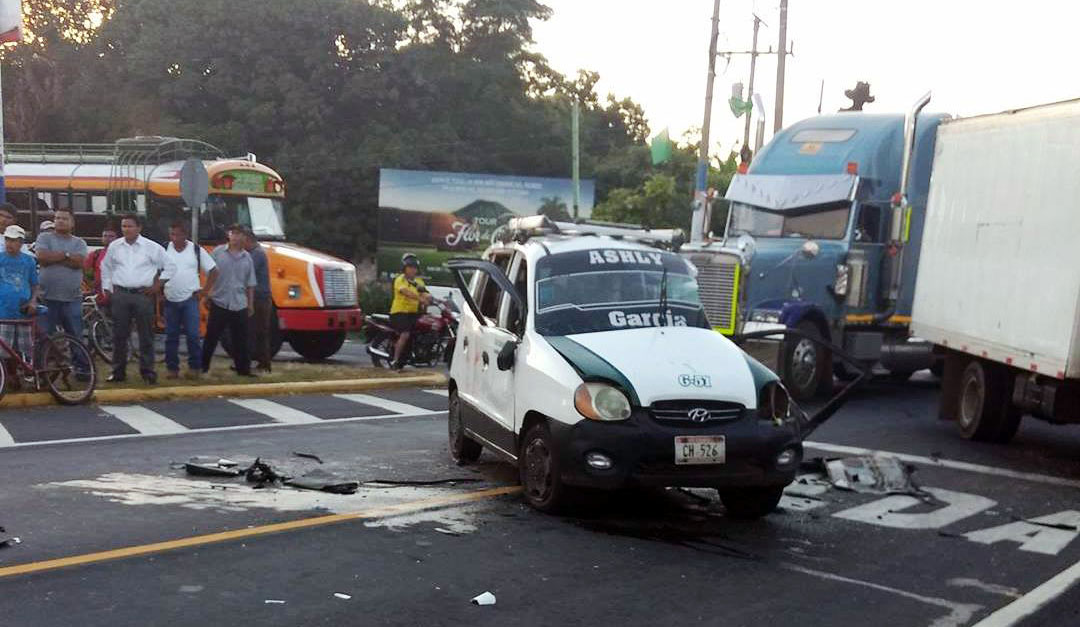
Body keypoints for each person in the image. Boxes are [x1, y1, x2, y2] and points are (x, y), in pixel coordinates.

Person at [101, 214, 170, 384]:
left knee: (146, 335)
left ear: (139, 228)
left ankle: (147, 372)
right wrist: (107, 288)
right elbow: (106, 267)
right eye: (124, 226)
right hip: (121, 295)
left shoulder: (152, 247)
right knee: (119, 336)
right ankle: (118, 372)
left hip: (142, 295)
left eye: (130, 226)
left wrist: (157, 285)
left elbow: (170, 267)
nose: (126, 229)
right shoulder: (115, 247)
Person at [34, 208, 90, 377]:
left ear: (72, 222)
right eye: (57, 218)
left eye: (64, 219)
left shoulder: (79, 243)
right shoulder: (44, 238)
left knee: (76, 336)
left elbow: (78, 262)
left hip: (72, 298)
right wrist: (67, 256)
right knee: (44, 337)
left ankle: (82, 370)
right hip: (47, 297)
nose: (60, 221)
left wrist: (56, 257)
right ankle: (43, 372)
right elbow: (42, 257)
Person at [162, 220, 217, 379]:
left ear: (185, 235)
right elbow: (155, 270)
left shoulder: (196, 250)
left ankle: (195, 368)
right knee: (171, 336)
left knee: (193, 335)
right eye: (172, 234)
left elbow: (213, 271)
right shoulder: (164, 249)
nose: (175, 238)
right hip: (170, 299)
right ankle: (172, 369)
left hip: (190, 299)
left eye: (178, 234)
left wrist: (205, 292)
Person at [201, 224, 255, 377]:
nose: (236, 237)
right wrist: (207, 294)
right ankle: (203, 367)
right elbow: (208, 274)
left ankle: (243, 370)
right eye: (234, 233)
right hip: (220, 301)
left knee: (241, 339)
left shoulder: (247, 258)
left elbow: (250, 283)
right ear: (228, 235)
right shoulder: (218, 253)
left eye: (240, 234)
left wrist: (250, 304)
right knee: (211, 337)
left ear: (245, 237)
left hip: (239, 303)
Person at [0, 226, 39, 364]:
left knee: (25, 347)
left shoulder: (29, 261)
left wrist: (33, 301)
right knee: (4, 348)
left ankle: (28, 373)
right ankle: (9, 376)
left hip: (23, 309)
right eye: (7, 239)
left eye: (13, 240)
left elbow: (35, 284)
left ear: (21, 242)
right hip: (3, 310)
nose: (9, 243)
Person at [390, 253, 430, 370]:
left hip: (413, 313)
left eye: (414, 267)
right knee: (405, 333)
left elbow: (425, 292)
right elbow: (405, 291)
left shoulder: (418, 282)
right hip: (399, 313)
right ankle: (395, 361)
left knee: (421, 331)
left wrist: (429, 299)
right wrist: (419, 298)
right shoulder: (400, 279)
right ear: (404, 268)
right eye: (410, 267)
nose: (413, 270)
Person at [243, 229, 273, 373]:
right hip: (260, 297)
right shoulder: (256, 253)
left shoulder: (257, 255)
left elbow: (246, 272)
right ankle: (262, 362)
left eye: (244, 241)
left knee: (255, 332)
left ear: (249, 240)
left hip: (259, 298)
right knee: (258, 332)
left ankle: (258, 362)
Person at [84, 223, 119, 306]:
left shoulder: (125, 255)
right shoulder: (95, 254)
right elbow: (85, 271)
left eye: (111, 236)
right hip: (99, 295)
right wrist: (91, 284)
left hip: (119, 295)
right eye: (105, 236)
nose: (107, 238)